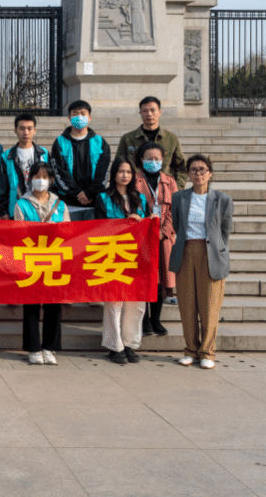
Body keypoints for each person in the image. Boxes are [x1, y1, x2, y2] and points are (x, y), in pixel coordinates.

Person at [170, 154, 233, 369]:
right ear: (188, 174)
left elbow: (225, 230)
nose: (198, 173)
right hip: (186, 251)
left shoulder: (222, 199)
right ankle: (190, 349)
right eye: (193, 170)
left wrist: (216, 248)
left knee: (210, 306)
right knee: (187, 304)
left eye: (202, 169)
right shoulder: (179, 197)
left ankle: (207, 352)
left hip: (211, 254)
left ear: (210, 173)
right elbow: (177, 225)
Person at [13, 161, 69, 365]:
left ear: (52, 180)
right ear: (30, 179)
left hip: (54, 260)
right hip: (31, 260)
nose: (41, 180)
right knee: (32, 305)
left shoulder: (60, 204)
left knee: (54, 305)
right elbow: (17, 233)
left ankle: (49, 347)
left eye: (45, 177)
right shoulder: (21, 204)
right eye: (37, 176)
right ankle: (34, 348)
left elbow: (68, 232)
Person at [95, 157, 149, 365]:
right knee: (114, 302)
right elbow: (98, 227)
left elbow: (147, 226)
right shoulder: (103, 197)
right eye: (120, 171)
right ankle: (115, 345)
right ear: (114, 174)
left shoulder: (141, 199)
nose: (124, 175)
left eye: (128, 172)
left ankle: (130, 344)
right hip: (113, 254)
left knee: (136, 304)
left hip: (136, 256)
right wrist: (124, 223)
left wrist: (142, 221)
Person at [133, 141, 178, 336]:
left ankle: (155, 319)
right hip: (141, 238)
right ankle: (144, 321)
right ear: (141, 159)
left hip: (163, 239)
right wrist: (146, 231)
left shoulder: (170, 182)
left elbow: (175, 210)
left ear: (163, 159)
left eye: (156, 158)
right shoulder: (134, 180)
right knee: (143, 279)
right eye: (148, 158)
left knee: (159, 280)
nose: (153, 162)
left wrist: (163, 231)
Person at [52, 100, 110, 221]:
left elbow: (103, 172)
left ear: (89, 117)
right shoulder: (60, 142)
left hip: (94, 203)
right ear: (69, 117)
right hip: (68, 204)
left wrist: (90, 193)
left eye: (83, 113)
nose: (79, 117)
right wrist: (77, 193)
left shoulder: (100, 142)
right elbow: (59, 172)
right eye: (75, 114)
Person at [116, 96, 187, 189]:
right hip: (136, 189)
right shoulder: (128, 139)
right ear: (140, 113)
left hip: (164, 189)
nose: (149, 114)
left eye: (153, 110)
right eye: (145, 111)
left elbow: (181, 167)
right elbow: (118, 165)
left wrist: (176, 189)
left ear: (159, 112)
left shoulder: (171, 139)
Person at [0, 113, 51, 220]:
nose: (26, 132)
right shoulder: (6, 156)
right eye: (21, 128)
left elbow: (51, 182)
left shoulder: (44, 154)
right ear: (15, 130)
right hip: (16, 209)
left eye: (29, 128)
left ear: (34, 130)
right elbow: (2, 187)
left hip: (41, 209)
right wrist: (3, 211)